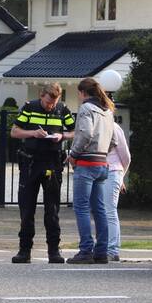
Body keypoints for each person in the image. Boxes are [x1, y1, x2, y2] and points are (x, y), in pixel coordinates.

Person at [9, 83, 74, 264]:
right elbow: (14, 132)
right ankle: (24, 250)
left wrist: (62, 136)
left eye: (53, 104)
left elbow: (75, 132)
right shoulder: (30, 107)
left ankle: (54, 251)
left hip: (53, 162)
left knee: (52, 209)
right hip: (31, 162)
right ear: (41, 96)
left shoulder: (63, 110)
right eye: (47, 103)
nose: (50, 107)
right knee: (27, 208)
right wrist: (33, 133)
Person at [66, 77, 116, 264]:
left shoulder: (87, 109)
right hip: (102, 163)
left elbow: (85, 133)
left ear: (82, 93)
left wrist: (74, 154)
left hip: (86, 163)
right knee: (100, 209)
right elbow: (114, 141)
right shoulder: (108, 111)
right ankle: (101, 251)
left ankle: (85, 250)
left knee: (81, 208)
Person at [105, 122, 131, 262]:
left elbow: (126, 156)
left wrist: (120, 177)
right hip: (101, 172)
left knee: (109, 211)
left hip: (112, 171)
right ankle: (106, 248)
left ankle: (112, 249)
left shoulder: (114, 127)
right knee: (104, 211)